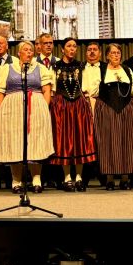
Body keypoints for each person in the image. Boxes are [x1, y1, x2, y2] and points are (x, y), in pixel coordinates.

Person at [0, 41, 55, 193]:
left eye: (31, 50)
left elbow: (47, 90)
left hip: (36, 107)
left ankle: (36, 179)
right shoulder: (7, 68)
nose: (29, 52)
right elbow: (0, 92)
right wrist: (3, 110)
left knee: (35, 141)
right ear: (19, 53)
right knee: (15, 142)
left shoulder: (40, 68)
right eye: (25, 50)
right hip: (12, 109)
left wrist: (43, 107)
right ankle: (16, 180)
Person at [90, 43, 133, 190]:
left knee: (127, 142)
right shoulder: (101, 70)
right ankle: (109, 179)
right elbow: (93, 92)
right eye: (113, 53)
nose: (116, 55)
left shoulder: (127, 70)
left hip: (126, 108)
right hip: (106, 108)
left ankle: (125, 178)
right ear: (107, 56)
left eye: (118, 53)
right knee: (108, 143)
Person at [49, 38, 96, 191]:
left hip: (79, 106)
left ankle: (79, 177)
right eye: (69, 46)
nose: (72, 49)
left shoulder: (82, 67)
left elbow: (87, 89)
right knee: (63, 140)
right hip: (61, 105)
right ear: (62, 49)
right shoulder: (55, 67)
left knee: (79, 139)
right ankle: (67, 177)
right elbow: (52, 89)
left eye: (74, 46)